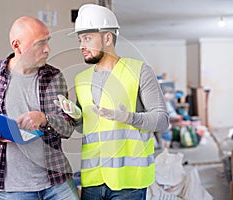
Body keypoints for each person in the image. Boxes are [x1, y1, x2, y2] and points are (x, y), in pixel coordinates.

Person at [55, 4, 170, 200]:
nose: (81, 45)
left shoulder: (139, 71)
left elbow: (162, 121)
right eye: (80, 39)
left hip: (129, 182)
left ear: (107, 38)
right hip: (93, 179)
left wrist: (128, 117)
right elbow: (87, 129)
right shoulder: (81, 79)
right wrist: (76, 117)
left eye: (87, 38)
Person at [0, 16, 79, 200]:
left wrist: (44, 119)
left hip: (57, 182)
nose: (47, 49)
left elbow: (68, 128)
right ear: (17, 46)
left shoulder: (54, 76)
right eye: (40, 43)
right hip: (13, 189)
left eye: (47, 41)